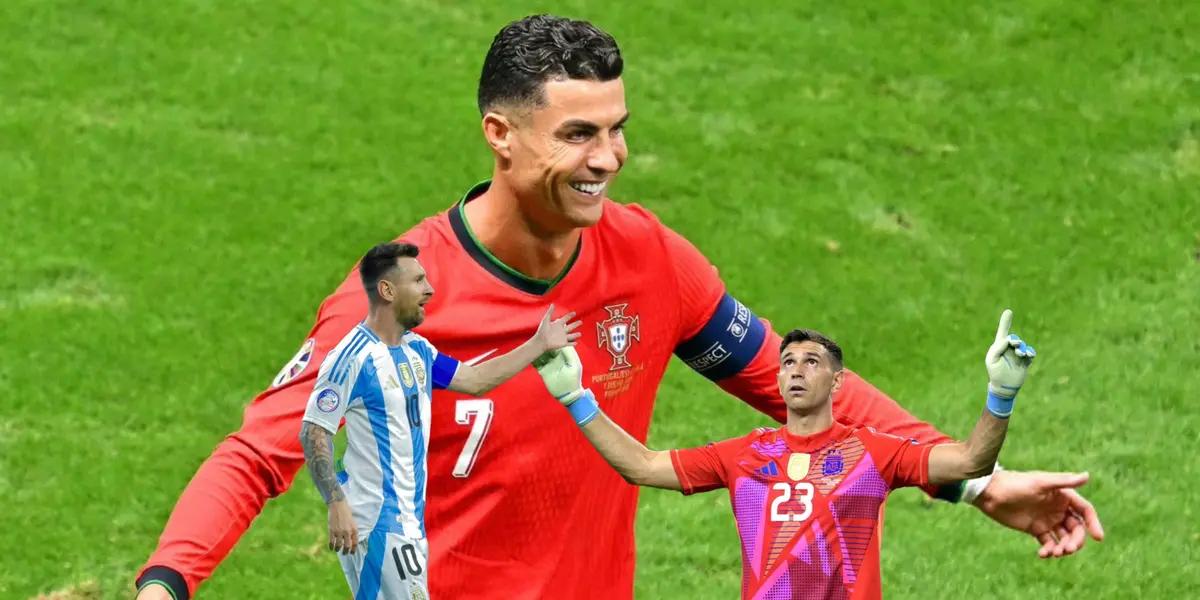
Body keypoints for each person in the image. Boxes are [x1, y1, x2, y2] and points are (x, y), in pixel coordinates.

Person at [135, 14, 1103, 600]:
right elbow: (258, 455)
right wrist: (167, 580)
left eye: (618, 129)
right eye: (579, 134)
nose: (608, 158)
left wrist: (972, 482)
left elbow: (786, 385)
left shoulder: (646, 257)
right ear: (500, 136)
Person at [533, 310, 1035, 599]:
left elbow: (971, 463)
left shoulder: (871, 452)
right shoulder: (746, 455)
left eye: (811, 362)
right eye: (788, 361)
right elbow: (640, 466)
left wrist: (1001, 395)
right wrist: (577, 398)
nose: (796, 370)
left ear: (837, 382)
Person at [298, 241, 580, 599]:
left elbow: (474, 380)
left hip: (407, 520)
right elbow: (314, 431)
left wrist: (538, 345)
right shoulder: (353, 357)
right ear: (387, 290)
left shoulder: (418, 350)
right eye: (417, 281)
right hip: (378, 522)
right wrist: (336, 504)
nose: (429, 290)